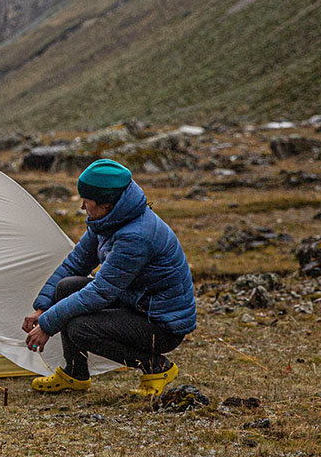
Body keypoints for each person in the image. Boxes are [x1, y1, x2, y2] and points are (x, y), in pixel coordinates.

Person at [22, 159, 196, 396]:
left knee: (79, 329)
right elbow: (76, 264)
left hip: (161, 323)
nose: (83, 207)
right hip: (135, 303)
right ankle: (75, 375)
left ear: (106, 203)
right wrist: (43, 307)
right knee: (66, 287)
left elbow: (101, 292)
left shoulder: (136, 236)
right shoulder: (107, 221)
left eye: (87, 201)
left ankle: (157, 367)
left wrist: (48, 325)